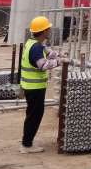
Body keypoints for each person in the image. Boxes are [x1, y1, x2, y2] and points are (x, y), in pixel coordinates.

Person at [20, 16, 62, 153]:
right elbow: (42, 65)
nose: (49, 30)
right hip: (35, 88)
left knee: (31, 114)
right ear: (43, 31)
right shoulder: (36, 48)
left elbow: (46, 51)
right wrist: (59, 62)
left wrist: (55, 55)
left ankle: (27, 139)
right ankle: (27, 145)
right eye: (48, 28)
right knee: (35, 115)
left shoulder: (32, 43)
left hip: (29, 86)